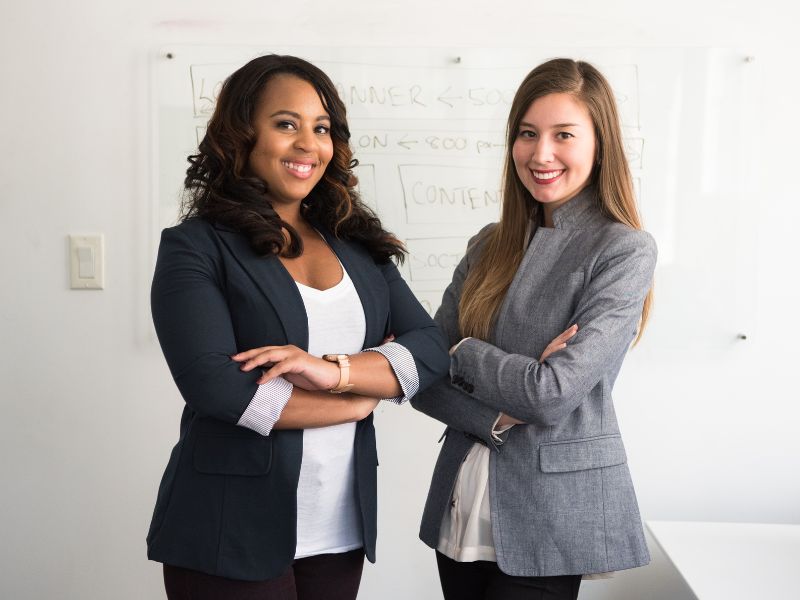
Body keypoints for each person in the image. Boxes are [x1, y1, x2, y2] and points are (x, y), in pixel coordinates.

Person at [146, 54, 449, 600]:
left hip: (338, 528)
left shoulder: (358, 244)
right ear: (242, 135)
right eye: (287, 124)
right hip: (228, 528)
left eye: (322, 127)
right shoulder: (195, 247)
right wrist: (357, 400)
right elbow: (219, 388)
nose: (309, 143)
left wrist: (332, 373)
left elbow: (429, 350)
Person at [411, 58, 657, 600]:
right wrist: (495, 411)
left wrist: (464, 350)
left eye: (563, 135)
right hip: (462, 501)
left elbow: (550, 395)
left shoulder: (622, 250)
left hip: (550, 513)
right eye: (527, 134)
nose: (540, 153)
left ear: (601, 143)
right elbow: (424, 378)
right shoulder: (487, 243)